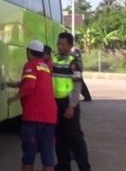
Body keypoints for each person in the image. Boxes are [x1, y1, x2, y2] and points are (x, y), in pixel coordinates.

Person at [8, 40, 57, 171]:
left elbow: (29, 86)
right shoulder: (45, 66)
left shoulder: (30, 65)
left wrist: (14, 98)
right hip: (50, 117)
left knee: (29, 155)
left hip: (34, 116)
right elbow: (33, 83)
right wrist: (11, 84)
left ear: (29, 52)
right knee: (48, 156)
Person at [53, 32, 91, 171]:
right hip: (56, 104)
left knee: (75, 139)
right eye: (58, 44)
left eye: (62, 44)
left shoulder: (74, 63)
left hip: (69, 104)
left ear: (70, 46)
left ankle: (84, 167)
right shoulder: (54, 59)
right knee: (60, 137)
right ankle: (63, 166)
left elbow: (77, 87)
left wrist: (71, 106)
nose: (59, 47)